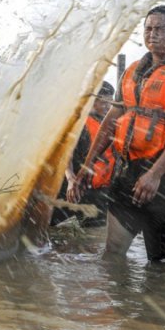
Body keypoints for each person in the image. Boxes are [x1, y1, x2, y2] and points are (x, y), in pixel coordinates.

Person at [73, 5, 165, 264]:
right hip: (127, 173)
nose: (152, 34)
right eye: (148, 29)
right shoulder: (131, 73)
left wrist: (155, 175)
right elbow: (111, 121)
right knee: (112, 253)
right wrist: (87, 165)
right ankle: (122, 305)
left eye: (160, 29)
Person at [54, 81, 116, 227]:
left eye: (110, 102)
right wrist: (70, 178)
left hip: (100, 191)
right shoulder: (79, 123)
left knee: (94, 236)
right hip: (75, 188)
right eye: (104, 103)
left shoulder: (110, 123)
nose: (108, 107)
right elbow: (66, 152)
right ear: (92, 102)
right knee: (55, 228)